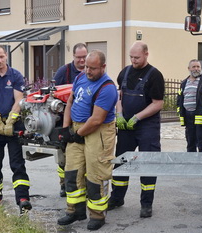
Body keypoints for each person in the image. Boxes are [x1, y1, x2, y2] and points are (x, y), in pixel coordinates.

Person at [57, 49, 117, 231]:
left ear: (103, 67)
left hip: (96, 132)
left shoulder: (108, 88)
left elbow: (97, 120)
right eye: (86, 67)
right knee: (72, 171)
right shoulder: (80, 78)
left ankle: (97, 215)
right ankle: (74, 210)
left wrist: (78, 134)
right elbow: (70, 102)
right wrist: (67, 128)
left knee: (95, 175)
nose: (88, 71)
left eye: (92, 68)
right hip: (77, 129)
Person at [109, 41, 165, 218]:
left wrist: (137, 117)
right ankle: (117, 198)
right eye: (131, 57)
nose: (133, 60)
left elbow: (158, 104)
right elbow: (119, 95)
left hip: (147, 126)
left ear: (146, 54)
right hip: (126, 126)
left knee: (148, 163)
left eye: (137, 57)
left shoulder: (155, 76)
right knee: (121, 162)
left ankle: (146, 204)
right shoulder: (124, 72)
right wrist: (119, 114)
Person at [0, 44, 32, 215]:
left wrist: (11, 120)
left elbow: (19, 99)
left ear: (6, 56)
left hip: (14, 124)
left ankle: (23, 199)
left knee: (17, 163)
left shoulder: (15, 75)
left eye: (2, 56)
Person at [53, 43, 88, 197]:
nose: (82, 60)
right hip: (64, 120)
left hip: (86, 121)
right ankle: (64, 184)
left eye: (84, 57)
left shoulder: (91, 71)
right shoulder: (64, 72)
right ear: (73, 56)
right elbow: (54, 94)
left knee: (84, 155)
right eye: (78, 57)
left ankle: (84, 184)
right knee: (63, 156)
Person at [177, 59, 202, 152]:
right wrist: (180, 112)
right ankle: (191, 162)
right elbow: (179, 99)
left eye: (198, 67)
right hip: (188, 116)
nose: (196, 69)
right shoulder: (184, 83)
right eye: (194, 67)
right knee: (190, 141)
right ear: (189, 68)